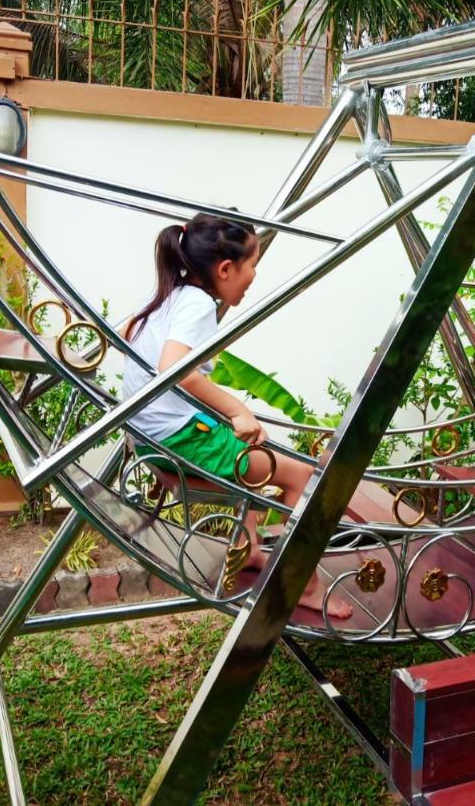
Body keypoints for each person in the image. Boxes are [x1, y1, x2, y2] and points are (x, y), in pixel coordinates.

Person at [120, 213, 353, 618]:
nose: (254, 276)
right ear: (226, 269)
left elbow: (132, 337)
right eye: (252, 266)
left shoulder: (171, 295)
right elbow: (176, 370)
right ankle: (305, 586)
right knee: (303, 474)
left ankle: (246, 551)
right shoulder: (196, 304)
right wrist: (238, 409)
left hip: (153, 437)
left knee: (256, 450)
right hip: (177, 440)